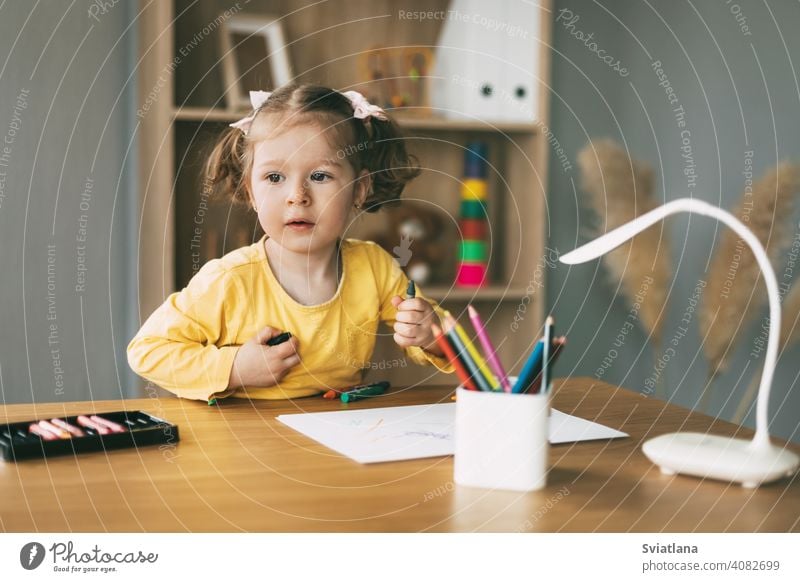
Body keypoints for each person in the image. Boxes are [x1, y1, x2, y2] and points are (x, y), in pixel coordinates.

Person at [127, 84, 452, 401]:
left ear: (360, 188)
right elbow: (148, 351)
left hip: (339, 437)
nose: (297, 196)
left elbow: (450, 340)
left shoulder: (374, 267)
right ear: (252, 192)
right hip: (244, 444)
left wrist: (430, 335)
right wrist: (235, 368)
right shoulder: (230, 280)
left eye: (320, 176)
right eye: (274, 178)